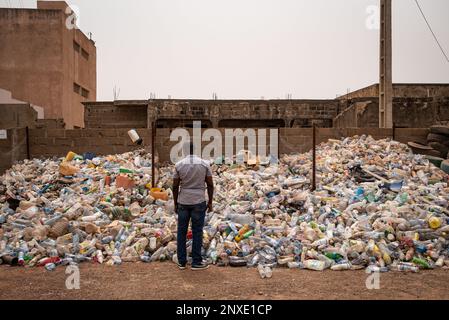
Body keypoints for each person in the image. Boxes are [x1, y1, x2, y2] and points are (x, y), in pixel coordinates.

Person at [173, 142, 214, 270]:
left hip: (183, 202)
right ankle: (196, 262)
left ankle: (182, 261)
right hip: (198, 201)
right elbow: (210, 184)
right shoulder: (204, 164)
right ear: (195, 150)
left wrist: (175, 203)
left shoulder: (179, 165)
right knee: (197, 231)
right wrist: (210, 202)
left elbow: (175, 186)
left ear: (184, 151)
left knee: (182, 231)